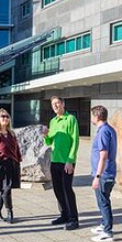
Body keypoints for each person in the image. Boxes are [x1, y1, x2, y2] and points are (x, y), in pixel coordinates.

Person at [42, 96, 79, 230]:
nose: (55, 106)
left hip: (66, 162)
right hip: (55, 160)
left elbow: (75, 141)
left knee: (67, 190)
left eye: (58, 103)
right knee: (57, 190)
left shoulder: (70, 119)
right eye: (53, 104)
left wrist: (70, 161)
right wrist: (46, 135)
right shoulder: (53, 121)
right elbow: (49, 142)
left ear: (63, 104)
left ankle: (74, 219)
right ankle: (64, 215)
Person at [89, 105, 118, 242]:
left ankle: (107, 232)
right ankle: (103, 225)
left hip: (104, 174)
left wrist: (97, 176)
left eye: (92, 116)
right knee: (103, 201)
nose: (91, 118)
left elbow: (103, 155)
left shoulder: (103, 132)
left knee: (103, 202)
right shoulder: (109, 129)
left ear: (97, 116)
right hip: (108, 172)